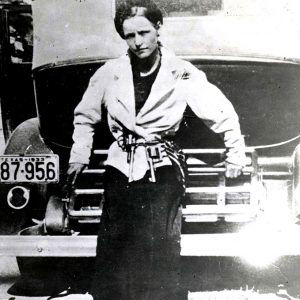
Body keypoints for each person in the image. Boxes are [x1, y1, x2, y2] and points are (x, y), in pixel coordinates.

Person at [67, 0, 246, 299]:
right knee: (114, 248)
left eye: (144, 32)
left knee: (159, 247)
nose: (138, 42)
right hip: (120, 165)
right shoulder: (109, 73)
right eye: (129, 36)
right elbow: (85, 117)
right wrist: (79, 156)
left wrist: (235, 152)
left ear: (158, 28)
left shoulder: (181, 72)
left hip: (162, 167)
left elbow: (222, 112)